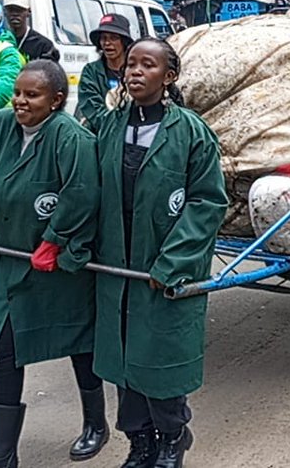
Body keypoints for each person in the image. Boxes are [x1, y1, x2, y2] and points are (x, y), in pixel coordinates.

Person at [0, 59, 105, 466]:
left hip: (62, 266)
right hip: (15, 263)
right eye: (18, 92)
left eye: (31, 95)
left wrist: (55, 240)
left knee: (78, 344)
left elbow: (82, 194)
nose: (20, 101)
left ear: (55, 100)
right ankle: (0, 452)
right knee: (6, 348)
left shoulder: (71, 139)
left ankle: (95, 425)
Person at [92, 38, 228, 468]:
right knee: (124, 355)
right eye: (130, 64)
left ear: (168, 77)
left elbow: (207, 203)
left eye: (147, 65)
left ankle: (172, 437)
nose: (134, 71)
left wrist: (172, 263)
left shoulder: (190, 132)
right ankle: (140, 442)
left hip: (165, 266)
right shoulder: (110, 126)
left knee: (161, 357)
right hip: (118, 262)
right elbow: (89, 191)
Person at [76, 13, 134, 131]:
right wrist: (116, 127)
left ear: (124, 42)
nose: (107, 43)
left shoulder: (135, 72)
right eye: (104, 38)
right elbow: (91, 107)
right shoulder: (91, 71)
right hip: (98, 133)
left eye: (113, 38)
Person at [3, 0, 59, 64]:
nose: (15, 14)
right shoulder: (0, 41)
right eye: (11, 10)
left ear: (29, 12)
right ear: (5, 12)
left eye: (19, 10)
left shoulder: (43, 45)